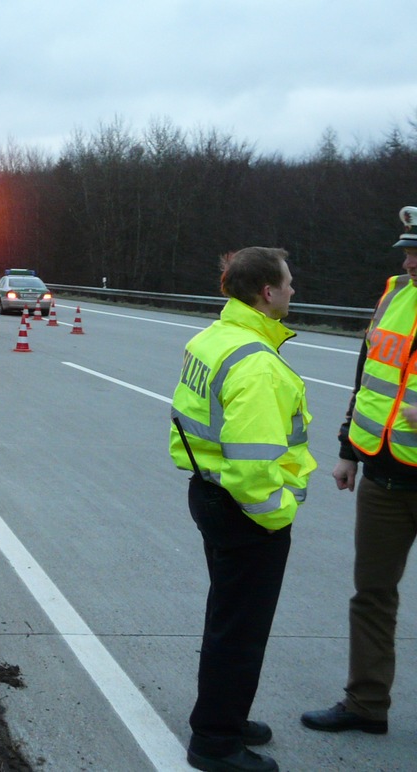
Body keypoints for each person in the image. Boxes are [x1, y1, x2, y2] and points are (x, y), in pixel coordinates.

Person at [169, 246, 316, 772]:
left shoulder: (213, 339)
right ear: (267, 293)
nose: (294, 290)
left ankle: (222, 714)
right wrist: (278, 514)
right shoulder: (257, 364)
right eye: (289, 283)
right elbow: (253, 466)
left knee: (226, 619)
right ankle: (215, 742)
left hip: (208, 493)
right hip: (245, 511)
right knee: (241, 631)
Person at [301, 207, 417, 737]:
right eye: (407, 251)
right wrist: (348, 448)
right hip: (386, 477)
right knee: (371, 593)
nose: (411, 261)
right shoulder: (395, 294)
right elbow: (368, 373)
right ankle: (367, 703)